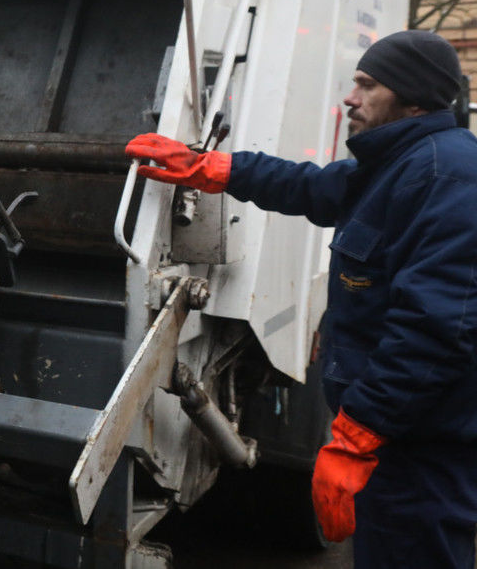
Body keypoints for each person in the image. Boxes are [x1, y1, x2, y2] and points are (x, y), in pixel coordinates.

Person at [125, 30, 477, 569]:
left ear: (412, 97)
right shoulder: (405, 162)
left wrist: (358, 436)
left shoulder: (447, 176)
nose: (349, 97)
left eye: (367, 84)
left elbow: (435, 329)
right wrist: (219, 169)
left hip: (417, 451)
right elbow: (312, 187)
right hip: (399, 441)